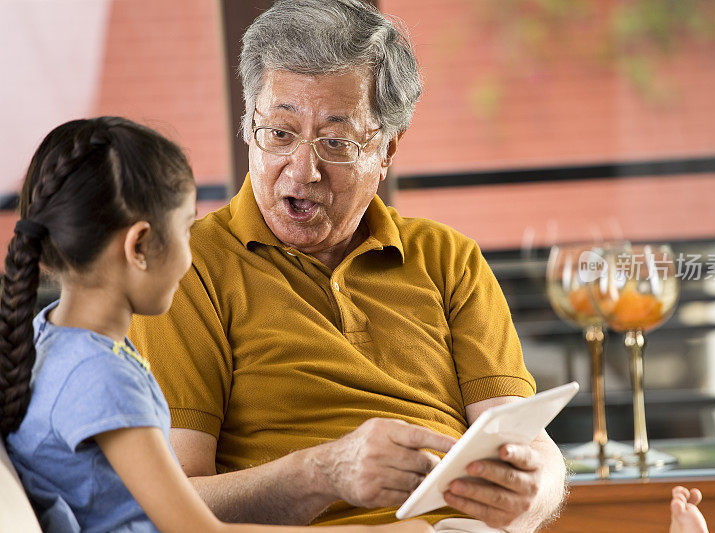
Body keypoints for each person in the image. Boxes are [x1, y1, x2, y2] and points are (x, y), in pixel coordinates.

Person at [128, 0, 567, 531]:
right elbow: (174, 505)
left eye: (335, 142)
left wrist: (533, 491)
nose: (304, 169)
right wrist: (324, 472)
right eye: (280, 133)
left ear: (386, 151)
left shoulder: (449, 258)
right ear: (248, 128)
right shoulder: (186, 268)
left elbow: (525, 443)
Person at [0, 117, 431, 533]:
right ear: (139, 246)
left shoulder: (48, 339)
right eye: (186, 230)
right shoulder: (102, 378)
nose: (192, 254)